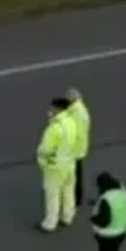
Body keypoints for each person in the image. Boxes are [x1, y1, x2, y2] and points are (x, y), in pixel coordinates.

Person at [36, 96, 79, 232]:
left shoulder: (54, 128)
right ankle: (67, 217)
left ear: (58, 109)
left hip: (55, 166)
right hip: (69, 163)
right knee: (68, 191)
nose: (50, 110)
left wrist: (41, 158)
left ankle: (50, 223)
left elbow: (45, 149)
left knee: (52, 195)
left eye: (52, 108)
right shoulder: (72, 122)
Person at [64, 87, 92, 206]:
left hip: (75, 150)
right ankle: (75, 198)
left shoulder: (78, 114)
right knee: (75, 175)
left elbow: (77, 134)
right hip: (77, 149)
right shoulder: (78, 110)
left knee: (75, 177)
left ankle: (76, 200)